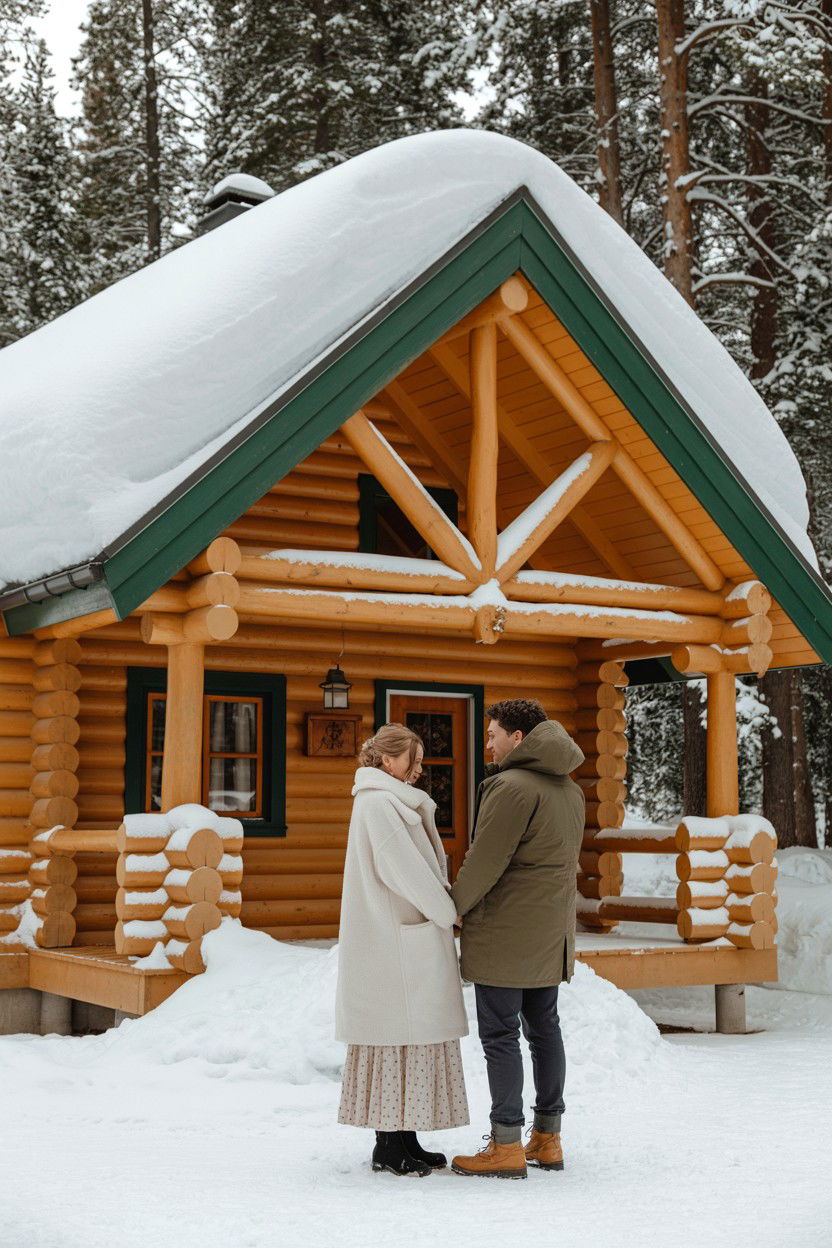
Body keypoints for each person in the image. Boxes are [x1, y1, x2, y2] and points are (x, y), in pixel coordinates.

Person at [450, 698, 585, 1180]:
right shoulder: (569, 789)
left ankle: (505, 1144)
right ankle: (547, 1139)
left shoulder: (510, 786)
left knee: (501, 1035)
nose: (487, 742)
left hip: (507, 930)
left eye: (492, 734)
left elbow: (486, 859)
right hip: (550, 929)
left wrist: (453, 907)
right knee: (544, 1029)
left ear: (518, 738)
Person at [335, 722, 469, 1176]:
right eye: (412, 759)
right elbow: (406, 872)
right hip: (393, 942)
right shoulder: (378, 805)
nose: (418, 768)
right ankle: (387, 1145)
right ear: (387, 760)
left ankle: (405, 1138)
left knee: (408, 1040)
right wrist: (448, 910)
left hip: (400, 937)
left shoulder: (387, 801)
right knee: (395, 1037)